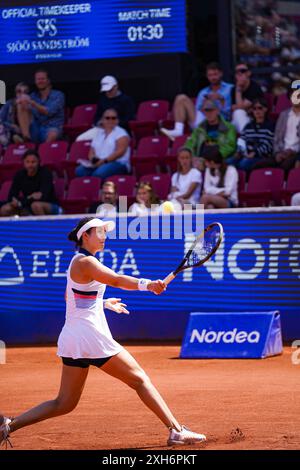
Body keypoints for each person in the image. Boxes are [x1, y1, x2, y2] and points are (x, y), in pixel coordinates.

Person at [0, 217, 206, 448]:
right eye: (99, 231)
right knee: (139, 380)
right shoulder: (86, 262)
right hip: (90, 336)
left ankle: (8, 425)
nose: (105, 236)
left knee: (65, 403)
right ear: (85, 236)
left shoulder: (78, 263)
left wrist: (103, 302)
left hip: (73, 338)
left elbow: (71, 298)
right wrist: (148, 284)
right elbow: (117, 280)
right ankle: (176, 431)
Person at [161, 62, 233, 140]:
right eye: (210, 75)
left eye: (215, 74)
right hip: (204, 121)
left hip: (222, 122)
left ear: (221, 74)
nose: (213, 78)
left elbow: (230, 112)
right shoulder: (203, 92)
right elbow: (198, 112)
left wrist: (220, 99)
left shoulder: (230, 88)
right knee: (181, 97)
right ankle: (178, 131)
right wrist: (204, 105)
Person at [0, 149, 61, 216]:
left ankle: (44, 226)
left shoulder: (46, 173)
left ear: (39, 162)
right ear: (24, 162)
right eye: (28, 162)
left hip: (50, 204)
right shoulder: (20, 175)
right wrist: (15, 201)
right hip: (27, 204)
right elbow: (12, 195)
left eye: (33, 162)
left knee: (36, 206)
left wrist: (23, 201)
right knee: (5, 209)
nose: (30, 165)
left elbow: (43, 196)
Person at [76, 75, 135, 141]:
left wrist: (114, 123)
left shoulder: (126, 100)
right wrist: (99, 123)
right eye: (106, 91)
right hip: (102, 128)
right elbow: (97, 116)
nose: (108, 93)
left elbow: (129, 118)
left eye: (110, 90)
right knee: (80, 139)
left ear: (116, 86)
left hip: (119, 129)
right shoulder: (102, 99)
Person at [75, 109, 130, 179]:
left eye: (113, 118)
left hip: (117, 163)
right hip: (99, 163)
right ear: (102, 120)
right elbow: (92, 151)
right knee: (79, 171)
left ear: (117, 120)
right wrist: (93, 159)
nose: (110, 120)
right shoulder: (99, 134)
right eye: (107, 118)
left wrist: (104, 161)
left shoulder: (121, 133)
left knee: (99, 173)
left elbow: (120, 152)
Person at [184, 99, 237, 170]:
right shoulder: (199, 129)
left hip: (218, 161)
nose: (209, 113)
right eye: (207, 111)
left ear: (217, 111)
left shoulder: (229, 128)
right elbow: (189, 144)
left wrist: (210, 159)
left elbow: (230, 146)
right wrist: (193, 158)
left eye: (211, 110)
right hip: (200, 161)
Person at [16, 69, 65, 143]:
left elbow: (48, 111)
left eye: (42, 79)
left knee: (53, 134)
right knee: (21, 105)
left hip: (52, 128)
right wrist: (20, 100)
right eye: (38, 79)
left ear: (48, 80)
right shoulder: (33, 96)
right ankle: (26, 138)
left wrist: (33, 103)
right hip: (36, 128)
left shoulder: (58, 95)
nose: (40, 81)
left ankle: (44, 152)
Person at [226, 97, 274, 171]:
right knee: (228, 162)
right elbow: (242, 140)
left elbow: (268, 145)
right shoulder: (248, 126)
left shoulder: (270, 126)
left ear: (265, 109)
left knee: (243, 164)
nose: (257, 111)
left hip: (262, 157)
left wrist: (255, 153)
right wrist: (239, 152)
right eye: (254, 109)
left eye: (260, 108)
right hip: (246, 155)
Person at [231, 63, 264, 134]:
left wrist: (238, 89)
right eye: (237, 72)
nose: (240, 73)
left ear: (249, 73)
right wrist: (238, 89)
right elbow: (233, 108)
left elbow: (239, 107)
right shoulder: (233, 89)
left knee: (238, 112)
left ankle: (246, 139)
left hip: (254, 119)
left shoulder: (255, 87)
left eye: (243, 71)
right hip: (239, 119)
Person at [0, 82, 31, 146]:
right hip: (11, 131)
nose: (22, 94)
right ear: (16, 93)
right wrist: (12, 126)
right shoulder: (9, 104)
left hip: (28, 131)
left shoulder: (31, 104)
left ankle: (22, 140)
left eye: (25, 92)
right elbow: (1, 119)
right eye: (19, 91)